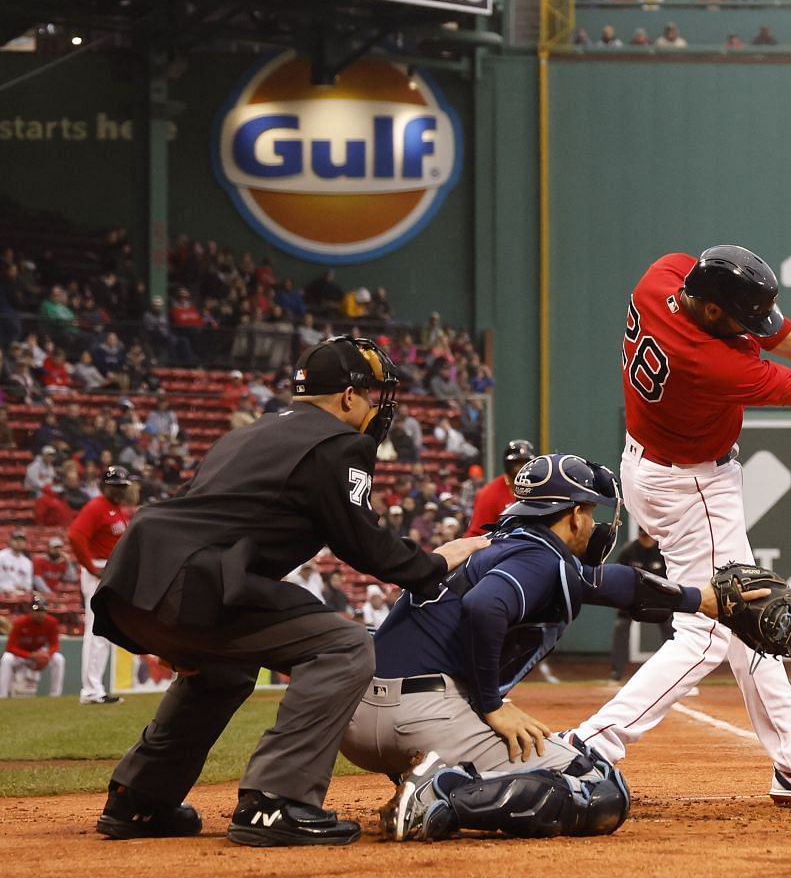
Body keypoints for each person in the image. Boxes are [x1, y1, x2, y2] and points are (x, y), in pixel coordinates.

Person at [88, 337, 491, 846]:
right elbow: (365, 544)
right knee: (343, 647)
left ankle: (140, 800)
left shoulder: (250, 434)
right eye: (374, 397)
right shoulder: (340, 442)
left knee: (223, 669)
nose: (378, 409)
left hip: (135, 579)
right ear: (348, 397)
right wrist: (437, 561)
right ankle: (274, 802)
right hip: (192, 582)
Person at [565, 246, 791, 808]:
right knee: (716, 627)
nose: (756, 326)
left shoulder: (662, 274)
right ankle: (588, 746)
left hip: (656, 464)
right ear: (713, 311)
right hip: (691, 484)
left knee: (750, 614)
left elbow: (776, 331)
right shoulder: (708, 362)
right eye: (742, 316)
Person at [345, 453, 716, 842]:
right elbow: (484, 606)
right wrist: (492, 705)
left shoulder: (497, 546)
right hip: (420, 720)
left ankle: (422, 779)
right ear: (574, 515)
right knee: (598, 787)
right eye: (590, 513)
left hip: (358, 718)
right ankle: (441, 794)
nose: (594, 525)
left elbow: (610, 583)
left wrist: (701, 599)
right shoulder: (539, 557)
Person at [70, 465, 136, 705]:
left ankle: (96, 687)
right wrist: (90, 567)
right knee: (96, 630)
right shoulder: (96, 506)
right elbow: (75, 535)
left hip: (111, 569)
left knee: (105, 632)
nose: (119, 490)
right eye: (115, 486)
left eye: (122, 486)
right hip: (99, 569)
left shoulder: (116, 509)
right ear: (104, 486)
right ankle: (90, 690)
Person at [609, 532, 673, 682]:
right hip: (633, 598)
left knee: (672, 630)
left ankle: (672, 671)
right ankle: (616, 672)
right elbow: (618, 575)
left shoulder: (661, 552)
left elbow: (672, 578)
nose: (647, 541)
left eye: (649, 537)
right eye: (643, 537)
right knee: (621, 626)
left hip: (658, 598)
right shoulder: (629, 550)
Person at [466, 439, 537, 537]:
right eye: (517, 462)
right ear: (507, 464)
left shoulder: (539, 489)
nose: (522, 467)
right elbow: (476, 533)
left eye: (526, 462)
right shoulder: (489, 494)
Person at [1, 596, 64, 697]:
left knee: (58, 658)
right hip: (22, 654)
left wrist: (47, 654)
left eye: (42, 610)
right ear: (31, 611)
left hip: (39, 652)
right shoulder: (20, 622)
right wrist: (29, 655)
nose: (40, 613)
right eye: (37, 610)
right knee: (6, 659)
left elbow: (55, 644)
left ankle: (55, 695)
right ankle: (2, 696)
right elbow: (10, 647)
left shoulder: (51, 622)